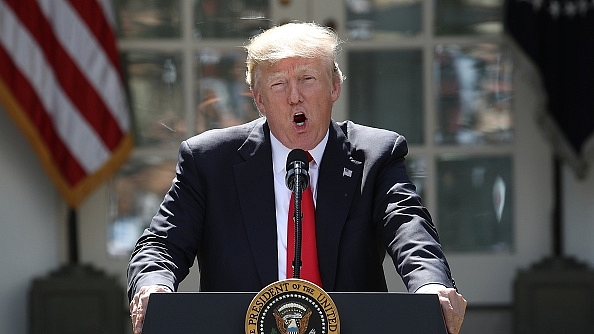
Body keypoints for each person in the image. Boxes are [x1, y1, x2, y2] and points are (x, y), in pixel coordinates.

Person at [128, 21, 467, 334]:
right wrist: (153, 286)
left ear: (334, 86)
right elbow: (162, 244)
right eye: (278, 84)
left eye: (307, 79)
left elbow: (410, 229)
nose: (294, 96)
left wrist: (430, 286)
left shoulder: (376, 154)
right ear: (259, 100)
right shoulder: (209, 160)